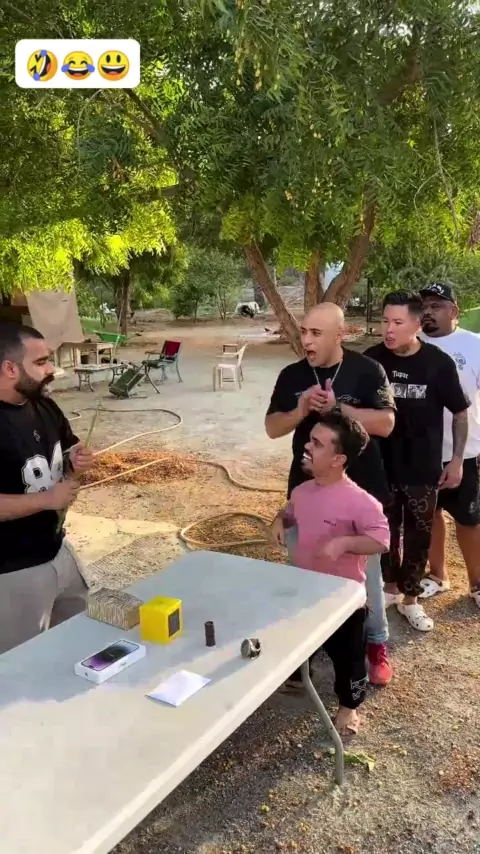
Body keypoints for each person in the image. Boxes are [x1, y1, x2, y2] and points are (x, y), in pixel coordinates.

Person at [266, 302, 396, 686]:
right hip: (306, 491)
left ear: (340, 335)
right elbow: (272, 427)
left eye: (316, 333)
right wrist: (300, 410)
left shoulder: (367, 370)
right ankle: (306, 646)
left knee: (366, 579)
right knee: (305, 571)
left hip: (359, 489)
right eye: (304, 331)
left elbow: (386, 423)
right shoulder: (292, 375)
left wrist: (339, 407)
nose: (306, 340)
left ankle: (375, 643)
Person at [270, 412, 390, 736]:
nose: (307, 447)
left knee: (349, 658)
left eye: (317, 444)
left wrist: (345, 542)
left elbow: (381, 540)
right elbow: (290, 512)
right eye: (310, 440)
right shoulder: (301, 491)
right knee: (298, 636)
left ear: (339, 459)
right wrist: (279, 521)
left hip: (343, 601)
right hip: (304, 588)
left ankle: (349, 706)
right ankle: (298, 674)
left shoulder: (361, 502)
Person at [365, 291, 470, 631]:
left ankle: (410, 600)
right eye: (385, 321)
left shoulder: (438, 363)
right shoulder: (371, 361)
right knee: (382, 532)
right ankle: (388, 588)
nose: (389, 329)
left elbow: (460, 412)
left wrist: (456, 460)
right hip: (380, 467)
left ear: (416, 323)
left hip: (422, 470)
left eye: (397, 322)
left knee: (418, 536)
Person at [0, 323, 93, 654]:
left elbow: (67, 451)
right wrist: (46, 500)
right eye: (41, 362)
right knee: (21, 662)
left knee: (78, 643)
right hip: (13, 570)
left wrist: (76, 460)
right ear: (10, 368)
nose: (51, 369)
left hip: (58, 549)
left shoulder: (44, 405)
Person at [419, 283, 480, 608]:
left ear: (454, 310)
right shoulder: (413, 344)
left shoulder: (474, 346)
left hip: (465, 452)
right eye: (424, 305)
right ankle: (438, 575)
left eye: (436, 305)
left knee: (469, 520)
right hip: (422, 451)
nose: (428, 311)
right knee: (430, 514)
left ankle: (477, 584)